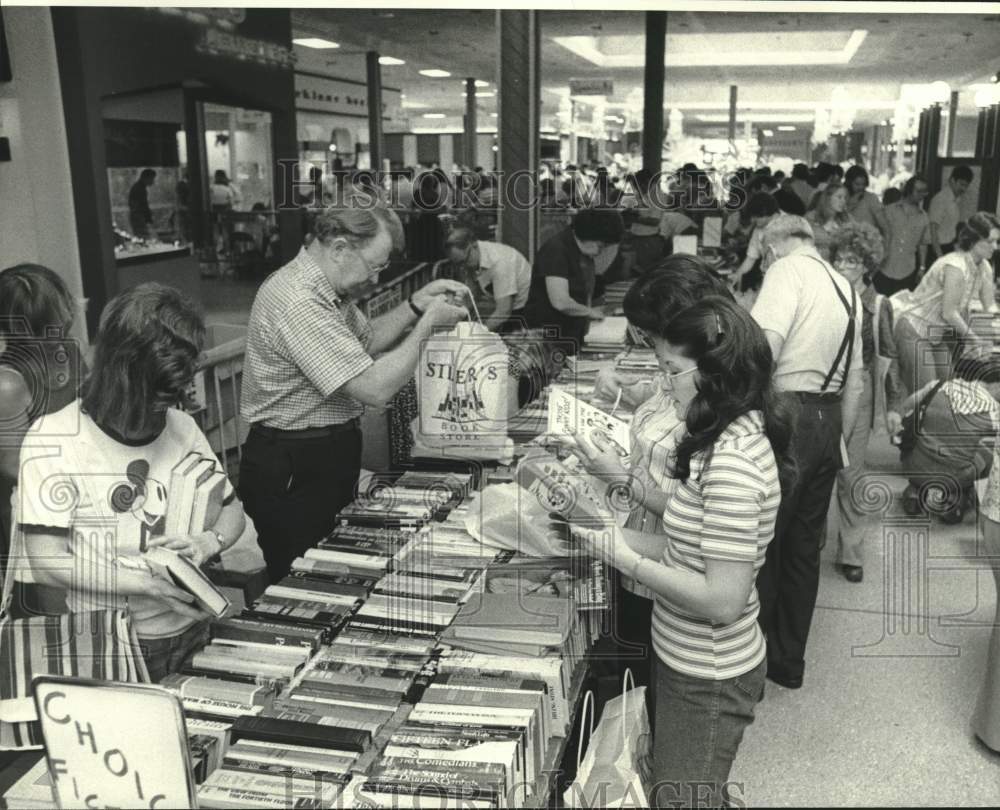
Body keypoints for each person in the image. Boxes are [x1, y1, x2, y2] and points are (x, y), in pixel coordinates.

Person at [570, 296, 791, 807]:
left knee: (685, 798)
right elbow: (684, 540)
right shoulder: (718, 436)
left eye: (671, 370)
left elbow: (722, 598)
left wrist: (625, 558)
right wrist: (602, 530)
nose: (660, 382)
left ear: (715, 373)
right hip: (685, 659)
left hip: (708, 674)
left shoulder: (733, 462)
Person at [16, 283, 247, 682]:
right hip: (110, 644)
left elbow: (233, 510)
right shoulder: (53, 438)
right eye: (151, 401)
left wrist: (209, 542)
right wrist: (143, 585)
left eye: (169, 401)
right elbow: (47, 560)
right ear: (118, 375)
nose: (159, 417)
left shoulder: (182, 427)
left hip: (194, 630)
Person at [239, 204, 470, 581]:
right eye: (375, 266)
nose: (376, 278)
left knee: (337, 565)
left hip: (325, 452)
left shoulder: (327, 290)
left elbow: (365, 341)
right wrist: (427, 326)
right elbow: (374, 388)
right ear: (341, 249)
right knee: (308, 578)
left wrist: (415, 307)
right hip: (294, 462)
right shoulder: (299, 301)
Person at [565, 257, 734, 692]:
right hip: (637, 549)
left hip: (662, 567)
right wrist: (626, 397)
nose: (646, 344)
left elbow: (695, 515)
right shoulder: (680, 368)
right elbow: (661, 410)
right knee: (633, 679)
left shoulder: (716, 406)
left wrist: (622, 478)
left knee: (647, 687)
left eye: (650, 334)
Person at [751, 214, 864, 689]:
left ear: (773, 248)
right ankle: (787, 663)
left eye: (761, 256)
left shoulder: (785, 272)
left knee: (761, 545)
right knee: (802, 548)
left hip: (786, 414)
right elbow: (855, 382)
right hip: (828, 418)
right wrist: (837, 439)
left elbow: (761, 351)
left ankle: (749, 668)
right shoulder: (847, 287)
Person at [0, 264, 83, 617]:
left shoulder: (69, 352)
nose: (62, 330)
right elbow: (14, 464)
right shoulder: (8, 382)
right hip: (35, 510)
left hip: (78, 494)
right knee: (55, 618)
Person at [827, 223, 903, 583]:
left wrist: (892, 406)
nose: (844, 266)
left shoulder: (878, 305)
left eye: (852, 260)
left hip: (860, 388)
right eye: (839, 259)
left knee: (851, 472)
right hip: (823, 389)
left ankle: (851, 551)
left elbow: (888, 355)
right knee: (816, 470)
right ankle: (808, 545)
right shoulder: (824, 297)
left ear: (866, 264)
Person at [893, 212, 1000, 395]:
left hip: (936, 334)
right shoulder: (955, 266)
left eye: (997, 242)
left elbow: (989, 307)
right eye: (990, 241)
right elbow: (949, 313)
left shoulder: (984, 267)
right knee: (927, 394)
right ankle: (907, 422)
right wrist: (975, 339)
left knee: (946, 388)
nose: (995, 247)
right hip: (914, 329)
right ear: (973, 240)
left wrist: (995, 331)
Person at [899, 357, 1000, 525]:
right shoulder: (993, 412)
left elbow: (907, 405)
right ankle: (954, 498)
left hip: (911, 463)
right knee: (987, 460)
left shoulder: (939, 386)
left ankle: (916, 491)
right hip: (951, 476)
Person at [523, 208, 624, 354]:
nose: (600, 251)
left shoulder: (580, 250)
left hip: (568, 332)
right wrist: (590, 312)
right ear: (588, 235)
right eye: (601, 246)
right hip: (548, 335)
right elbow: (560, 301)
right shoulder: (556, 250)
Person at [436, 227, 531, 333]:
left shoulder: (500, 262)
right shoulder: (472, 256)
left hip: (525, 311)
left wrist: (478, 334)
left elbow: (504, 311)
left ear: (474, 246)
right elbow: (471, 296)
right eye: (458, 264)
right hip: (504, 306)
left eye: (464, 261)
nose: (462, 267)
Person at [874, 174, 930, 296]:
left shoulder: (924, 218)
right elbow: (876, 236)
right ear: (909, 190)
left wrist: (922, 267)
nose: (922, 195)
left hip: (908, 270)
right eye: (918, 191)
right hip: (883, 268)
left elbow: (923, 244)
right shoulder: (889, 211)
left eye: (924, 192)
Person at [730, 192, 781, 295]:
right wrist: (737, 274)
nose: (753, 220)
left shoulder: (790, 226)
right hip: (768, 280)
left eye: (756, 217)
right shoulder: (758, 229)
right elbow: (750, 258)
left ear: (766, 213)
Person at [929, 165, 974, 260]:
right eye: (961, 184)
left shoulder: (956, 200)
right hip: (938, 249)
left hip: (949, 246)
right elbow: (932, 230)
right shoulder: (941, 199)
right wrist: (939, 257)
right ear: (952, 180)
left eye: (966, 185)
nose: (963, 189)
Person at [805, 182, 852, 261]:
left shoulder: (847, 218)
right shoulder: (811, 218)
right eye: (839, 197)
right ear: (828, 198)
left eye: (845, 198)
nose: (843, 201)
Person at [844, 165, 889, 241]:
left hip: (867, 243)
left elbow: (883, 224)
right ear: (849, 182)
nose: (861, 187)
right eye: (857, 184)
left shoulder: (871, 198)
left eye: (863, 184)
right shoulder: (843, 197)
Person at [210, 170, 240, 255]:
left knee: (215, 231)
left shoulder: (211, 187)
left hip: (213, 211)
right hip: (225, 211)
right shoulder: (227, 188)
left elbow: (209, 200)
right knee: (225, 231)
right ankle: (227, 251)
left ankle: (213, 251)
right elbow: (232, 200)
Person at [128, 168, 156, 238]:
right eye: (152, 179)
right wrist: (148, 218)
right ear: (146, 178)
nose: (153, 181)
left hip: (137, 217)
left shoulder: (138, 187)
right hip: (139, 218)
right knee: (144, 237)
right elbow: (143, 205)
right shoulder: (140, 189)